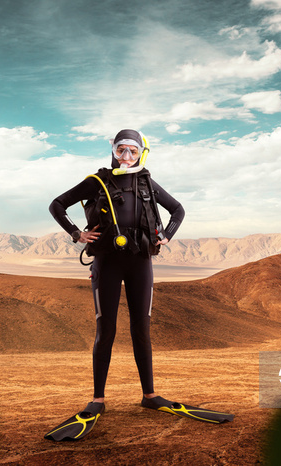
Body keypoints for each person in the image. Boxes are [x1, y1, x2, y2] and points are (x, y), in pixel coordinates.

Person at [46, 129, 185, 439]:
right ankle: (98, 399)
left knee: (142, 329)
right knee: (105, 329)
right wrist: (75, 233)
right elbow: (57, 204)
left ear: (141, 153)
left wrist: (166, 235)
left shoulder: (147, 183)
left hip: (141, 263)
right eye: (121, 150)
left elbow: (178, 210)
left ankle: (149, 396)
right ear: (112, 150)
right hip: (105, 262)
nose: (126, 157)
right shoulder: (96, 183)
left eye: (132, 151)